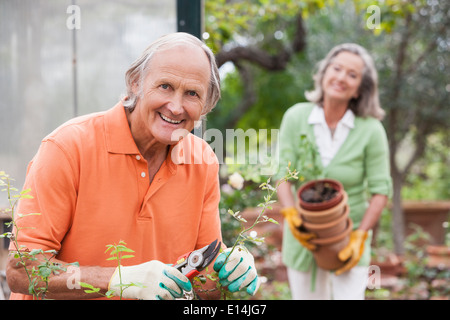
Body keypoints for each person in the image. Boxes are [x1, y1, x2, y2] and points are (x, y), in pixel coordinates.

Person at [6, 32, 260, 300]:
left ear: (206, 105)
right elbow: (22, 272)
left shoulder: (202, 159)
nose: (175, 107)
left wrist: (231, 271)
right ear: (135, 83)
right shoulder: (68, 147)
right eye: (165, 86)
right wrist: (118, 279)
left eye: (192, 94)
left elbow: (205, 288)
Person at [276, 43, 392, 300]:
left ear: (361, 88)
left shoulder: (370, 130)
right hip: (304, 235)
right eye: (336, 68)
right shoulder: (296, 118)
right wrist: (291, 215)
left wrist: (360, 235)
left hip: (348, 236)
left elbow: (380, 190)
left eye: (352, 74)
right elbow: (282, 174)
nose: (341, 77)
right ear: (324, 72)